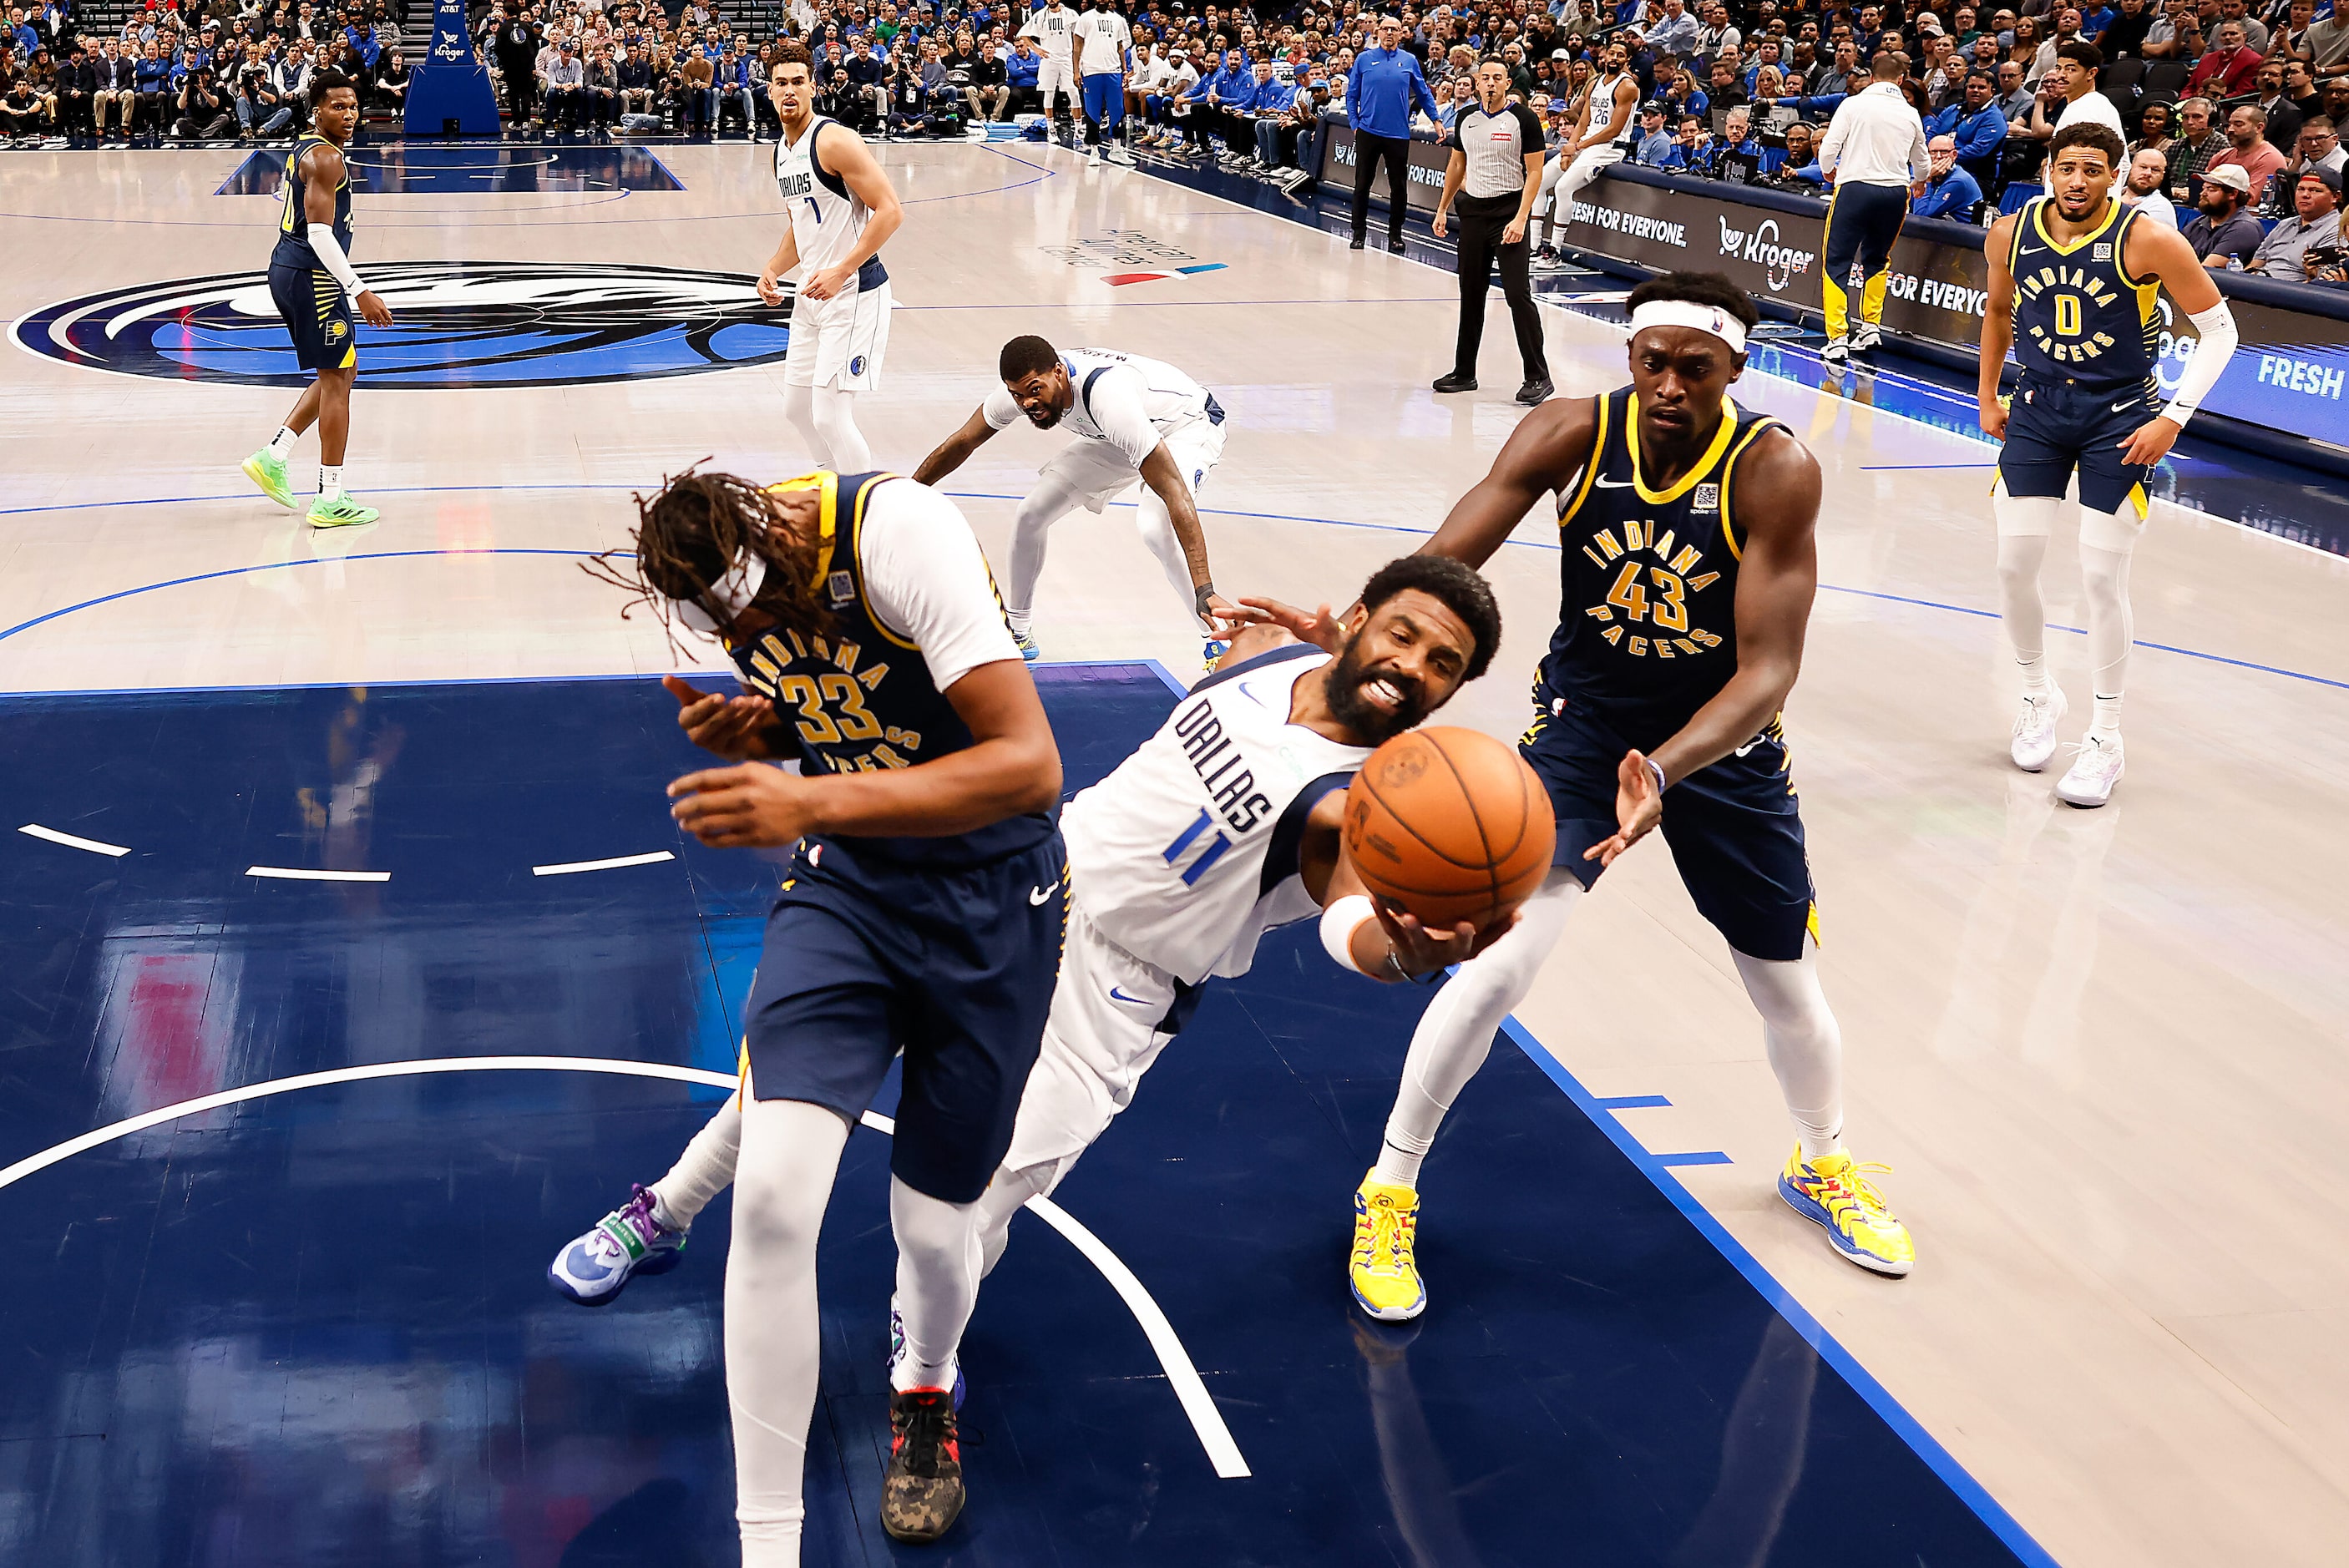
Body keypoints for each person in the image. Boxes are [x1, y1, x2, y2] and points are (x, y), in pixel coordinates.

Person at [1343, 271, 1918, 1327]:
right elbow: (1449, 549)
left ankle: (1820, 1163)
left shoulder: (1772, 469)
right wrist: (1356, 628)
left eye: (1691, 369)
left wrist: (1665, 769)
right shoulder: (1571, 430)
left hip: (1721, 748)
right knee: (1494, 963)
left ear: (1734, 371)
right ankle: (1388, 1188)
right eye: (1649, 361)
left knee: (1784, 985)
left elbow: (1766, 672)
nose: (1664, 385)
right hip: (1583, 732)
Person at [560, 466, 1066, 1560]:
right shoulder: (730, 583)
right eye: (731, 630)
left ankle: (924, 1388)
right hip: (849, 887)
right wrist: (775, 738)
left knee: (934, 1232)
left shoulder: (900, 537)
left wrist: (808, 791)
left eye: (756, 616)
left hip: (988, 903)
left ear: (770, 553)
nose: (750, 632)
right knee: (778, 1197)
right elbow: (852, 722)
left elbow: (1029, 764)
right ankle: (769, 1545)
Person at [1979, 122, 2239, 807]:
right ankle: (2037, 695)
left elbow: (2221, 331)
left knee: (2100, 577)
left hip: (2119, 417)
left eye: (2092, 170)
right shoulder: (2008, 232)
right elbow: (1998, 311)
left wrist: (2173, 417)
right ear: (2048, 169)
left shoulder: (2147, 238)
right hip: (2035, 408)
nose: (2076, 181)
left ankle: (2106, 737)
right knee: (2012, 565)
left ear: (2114, 176)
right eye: (2066, 167)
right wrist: (1985, 392)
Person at [912, 336, 1238, 665]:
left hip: (1182, 426)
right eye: (1018, 395)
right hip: (1108, 435)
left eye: (1035, 391)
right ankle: (1018, 632)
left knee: (1155, 525)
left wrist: (1204, 587)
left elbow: (1174, 491)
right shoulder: (1024, 388)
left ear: (1058, 372)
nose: (1028, 403)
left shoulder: (1109, 398)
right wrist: (903, 493)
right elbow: (963, 442)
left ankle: (1217, 636)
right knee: (1031, 513)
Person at [241, 73, 391, 529]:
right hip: (314, 277)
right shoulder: (326, 157)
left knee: (339, 375)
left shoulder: (307, 146)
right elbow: (320, 232)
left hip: (291, 268)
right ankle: (330, 497)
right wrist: (359, 290)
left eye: (353, 107)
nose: (349, 115)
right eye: (337, 107)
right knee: (339, 377)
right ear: (316, 110)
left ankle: (274, 456)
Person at [758, 42, 902, 475]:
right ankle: (832, 483)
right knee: (796, 410)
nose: (789, 91)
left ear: (812, 87)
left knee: (830, 415)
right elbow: (801, 228)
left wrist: (843, 269)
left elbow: (891, 211)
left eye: (798, 82)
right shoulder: (779, 153)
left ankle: (863, 507)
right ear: (769, 90)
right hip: (812, 294)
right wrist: (771, 269)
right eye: (781, 82)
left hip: (855, 291)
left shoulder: (835, 140)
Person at [1431, 57, 1552, 405]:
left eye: (1497, 78)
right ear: (1477, 82)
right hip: (1472, 213)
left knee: (1517, 294)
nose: (1490, 83)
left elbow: (1534, 172)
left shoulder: (1523, 119)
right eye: (1484, 78)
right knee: (1471, 293)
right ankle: (1464, 372)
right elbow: (1457, 163)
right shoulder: (1466, 118)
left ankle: (1538, 376)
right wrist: (1442, 208)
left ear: (1506, 83)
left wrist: (1521, 218)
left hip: (1508, 213)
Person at [1817, 52, 1930, 362]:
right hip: (1895, 192)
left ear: (1872, 77)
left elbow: (1830, 146)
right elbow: (1922, 160)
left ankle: (1838, 337)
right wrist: (1919, 180)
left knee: (1836, 261)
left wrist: (1828, 169)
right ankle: (1870, 326)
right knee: (1878, 258)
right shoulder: (1910, 113)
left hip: (1855, 188)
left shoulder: (1853, 104)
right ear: (1900, 80)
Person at [1347, 13, 1440, 252]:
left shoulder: (1409, 60)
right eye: (1386, 29)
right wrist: (1355, 123)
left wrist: (1436, 119)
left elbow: (1423, 93)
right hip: (1368, 130)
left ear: (1401, 34)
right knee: (1362, 184)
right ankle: (1358, 233)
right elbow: (1352, 94)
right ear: (1377, 32)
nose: (1390, 33)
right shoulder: (1364, 59)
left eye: (1395, 29)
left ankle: (1395, 234)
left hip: (1398, 134)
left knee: (1398, 187)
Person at [1545, 33, 1639, 251]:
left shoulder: (1627, 87)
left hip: (1610, 147)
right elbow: (1583, 121)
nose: (1614, 58)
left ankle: (1554, 250)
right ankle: (1533, 244)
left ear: (1627, 60)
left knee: (1563, 188)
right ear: (1605, 55)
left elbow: (1613, 129)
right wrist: (1569, 150)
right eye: (1612, 53)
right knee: (1541, 183)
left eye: (1621, 55)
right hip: (1586, 144)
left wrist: (1576, 147)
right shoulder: (1594, 82)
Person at [2245, 164, 2341, 279]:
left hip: (2291, 291)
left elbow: (2321, 282)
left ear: (2335, 197)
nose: (2305, 195)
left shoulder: (2338, 229)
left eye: (2315, 190)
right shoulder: (2285, 224)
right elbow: (2257, 261)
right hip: (2258, 283)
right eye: (2300, 189)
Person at [1071, 0, 1130, 164]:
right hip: (1091, 71)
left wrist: (1124, 71)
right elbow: (1076, 47)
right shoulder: (1085, 18)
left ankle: (1117, 149)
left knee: (1117, 110)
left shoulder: (1119, 20)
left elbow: (1120, 48)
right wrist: (1076, 71)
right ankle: (1094, 151)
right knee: (1092, 111)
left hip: (1113, 71)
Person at [2181, 162, 2265, 263]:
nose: (2202, 194)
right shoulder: (2198, 223)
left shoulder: (2244, 228)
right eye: (2204, 188)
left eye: (2211, 189)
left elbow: (2209, 269)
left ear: (2233, 194)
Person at [1015, 0, 1076, 140]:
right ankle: (1051, 130)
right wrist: (1036, 49)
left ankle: (1079, 129)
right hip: (1049, 58)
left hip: (1066, 58)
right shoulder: (1040, 15)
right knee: (1049, 93)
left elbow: (1079, 35)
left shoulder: (1070, 14)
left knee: (1073, 92)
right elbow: (1023, 34)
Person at [2206, 99, 2286, 200]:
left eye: (2238, 125)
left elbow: (2250, 199)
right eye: (2229, 125)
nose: (2230, 130)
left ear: (2259, 127)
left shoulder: (2269, 158)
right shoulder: (2223, 154)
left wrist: (2210, 194)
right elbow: (2202, 186)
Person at [1913, 131, 1987, 216]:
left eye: (1944, 152)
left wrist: (1926, 179)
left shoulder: (1959, 180)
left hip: (1961, 227)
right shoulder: (1931, 172)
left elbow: (1921, 216)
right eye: (1933, 152)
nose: (1938, 156)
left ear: (1954, 155)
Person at [2116, 144, 2179, 226]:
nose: (2148, 173)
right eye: (2143, 167)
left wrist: (2119, 207)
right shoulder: (2113, 193)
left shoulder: (2161, 207)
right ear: (2131, 168)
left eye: (2155, 170)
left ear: (2162, 176)